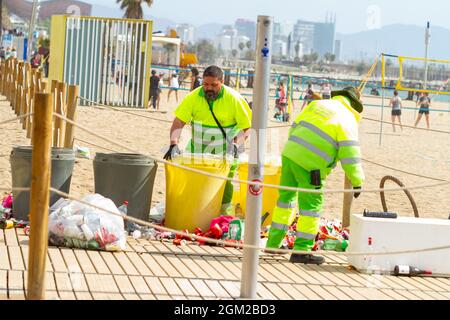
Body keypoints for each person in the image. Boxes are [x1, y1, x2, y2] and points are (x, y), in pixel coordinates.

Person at [265, 86, 365, 265]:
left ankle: (273, 244)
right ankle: (301, 251)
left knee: (285, 201)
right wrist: (358, 181)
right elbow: (350, 154)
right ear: (355, 104)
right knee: (311, 208)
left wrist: (295, 149)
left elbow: (295, 126)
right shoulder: (348, 118)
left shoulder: (317, 104)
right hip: (312, 166)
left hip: (290, 153)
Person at [164, 65, 252, 214]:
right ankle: (195, 212)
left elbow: (247, 127)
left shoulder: (234, 99)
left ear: (222, 82)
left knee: (224, 184)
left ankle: (222, 214)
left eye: (213, 85)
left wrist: (237, 145)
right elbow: (178, 122)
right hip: (197, 152)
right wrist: (173, 144)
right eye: (206, 84)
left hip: (225, 153)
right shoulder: (193, 96)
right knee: (193, 181)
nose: (209, 88)